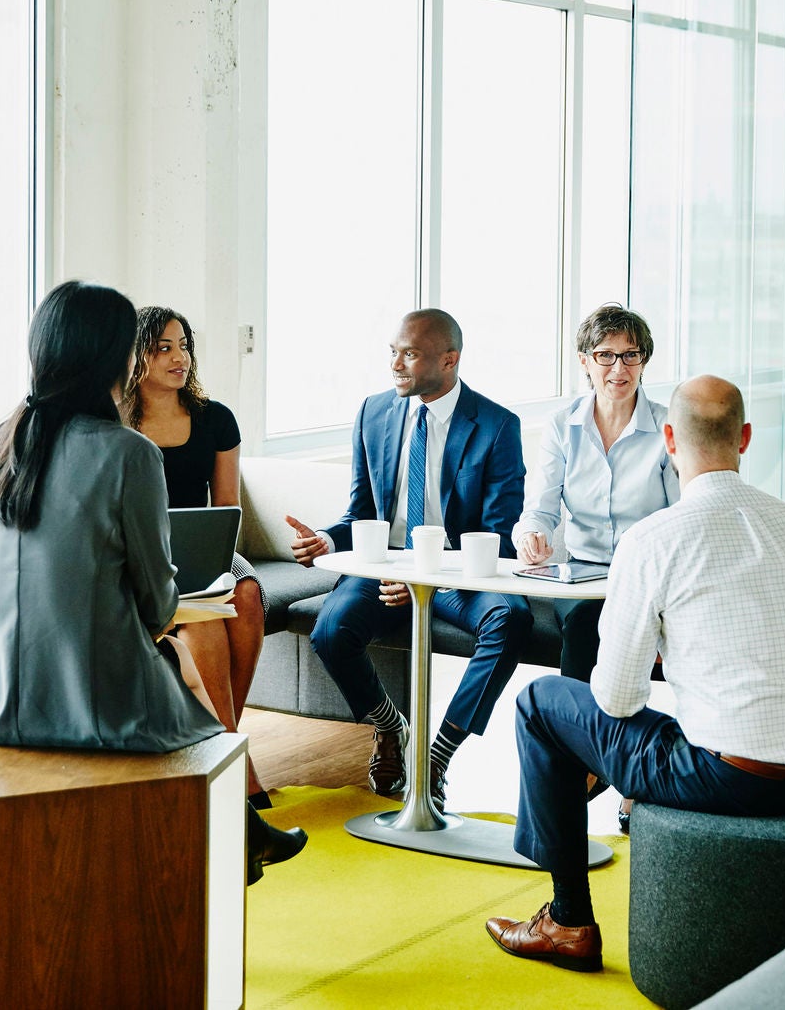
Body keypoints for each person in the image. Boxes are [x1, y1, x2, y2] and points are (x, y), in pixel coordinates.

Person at [487, 375, 785, 972]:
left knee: (542, 703)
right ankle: (597, 792)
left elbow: (615, 699)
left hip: (734, 779)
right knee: (653, 724)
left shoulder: (655, 539)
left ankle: (567, 921)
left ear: (668, 439)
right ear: (744, 438)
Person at [0, 281, 305, 884]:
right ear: (119, 358)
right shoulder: (127, 452)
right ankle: (235, 839)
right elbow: (157, 601)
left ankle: (246, 833)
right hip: (90, 699)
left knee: (182, 679)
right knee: (197, 717)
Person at [283, 309, 530, 810]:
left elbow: (498, 537)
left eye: (410, 354)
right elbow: (360, 513)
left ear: (449, 359)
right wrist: (328, 543)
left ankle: (439, 754)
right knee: (330, 631)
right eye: (392, 352)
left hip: (458, 574)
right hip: (388, 567)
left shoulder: (498, 426)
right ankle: (388, 725)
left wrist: (429, 580)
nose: (395, 364)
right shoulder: (374, 413)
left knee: (511, 618)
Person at [126, 305, 271, 805]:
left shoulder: (216, 419)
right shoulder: (116, 422)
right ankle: (234, 754)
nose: (178, 357)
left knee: (248, 592)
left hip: (205, 547)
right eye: (163, 347)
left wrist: (213, 559)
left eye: (183, 345)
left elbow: (226, 509)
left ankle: (222, 738)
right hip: (141, 555)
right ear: (136, 355)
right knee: (206, 622)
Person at [514, 304, 677, 682]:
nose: (619, 369)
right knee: (588, 621)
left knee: (626, 628)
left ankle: (612, 736)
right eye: (605, 355)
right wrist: (530, 537)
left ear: (643, 361)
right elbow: (538, 509)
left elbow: (681, 520)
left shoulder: (669, 425)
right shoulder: (561, 426)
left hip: (649, 582)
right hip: (584, 581)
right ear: (585, 362)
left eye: (630, 355)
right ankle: (579, 734)